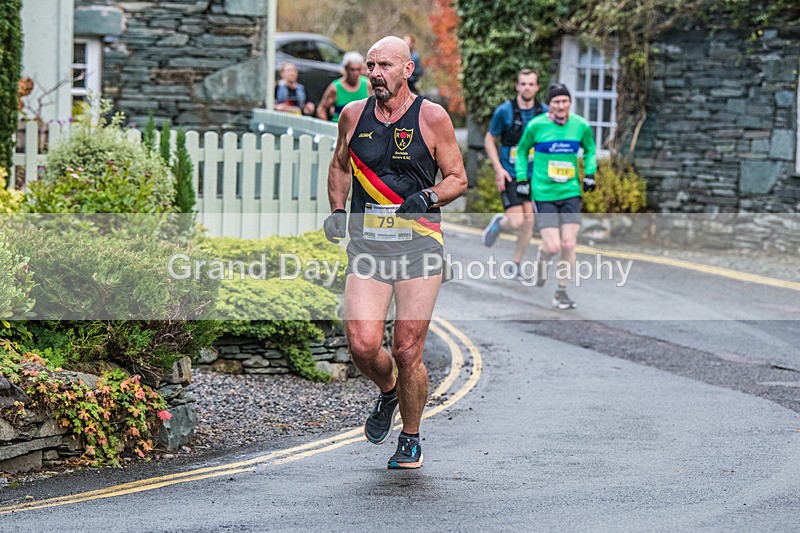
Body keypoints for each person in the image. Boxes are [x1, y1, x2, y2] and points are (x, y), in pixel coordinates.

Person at [323, 36, 467, 469]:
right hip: (368, 245)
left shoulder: (432, 117)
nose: (374, 74)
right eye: (370, 65)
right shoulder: (352, 115)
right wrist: (336, 210)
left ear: (407, 70)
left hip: (419, 245)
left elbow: (458, 178)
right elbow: (338, 165)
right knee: (363, 346)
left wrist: (429, 196)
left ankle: (411, 435)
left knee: (407, 350)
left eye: (384, 65)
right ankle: (388, 392)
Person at [514, 83, 596, 309]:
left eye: (564, 101)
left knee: (568, 244)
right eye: (556, 101)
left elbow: (590, 150)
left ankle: (561, 292)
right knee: (552, 247)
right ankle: (542, 260)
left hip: (570, 191)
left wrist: (590, 173)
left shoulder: (580, 126)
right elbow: (521, 151)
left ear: (570, 103)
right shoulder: (536, 126)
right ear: (549, 104)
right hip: (544, 193)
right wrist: (522, 179)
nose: (561, 105)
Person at [481, 69, 547, 278]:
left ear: (536, 87)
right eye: (523, 84)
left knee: (529, 220)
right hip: (510, 173)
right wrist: (498, 169)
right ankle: (501, 222)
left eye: (531, 84)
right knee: (517, 221)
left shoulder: (544, 112)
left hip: (532, 175)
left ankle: (516, 263)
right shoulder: (505, 111)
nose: (527, 87)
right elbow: (489, 139)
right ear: (518, 86)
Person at [316, 51, 372, 122]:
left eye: (358, 69)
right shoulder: (335, 88)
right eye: (352, 70)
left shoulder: (367, 84)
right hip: (339, 128)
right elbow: (321, 109)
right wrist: (328, 127)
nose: (355, 73)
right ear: (346, 69)